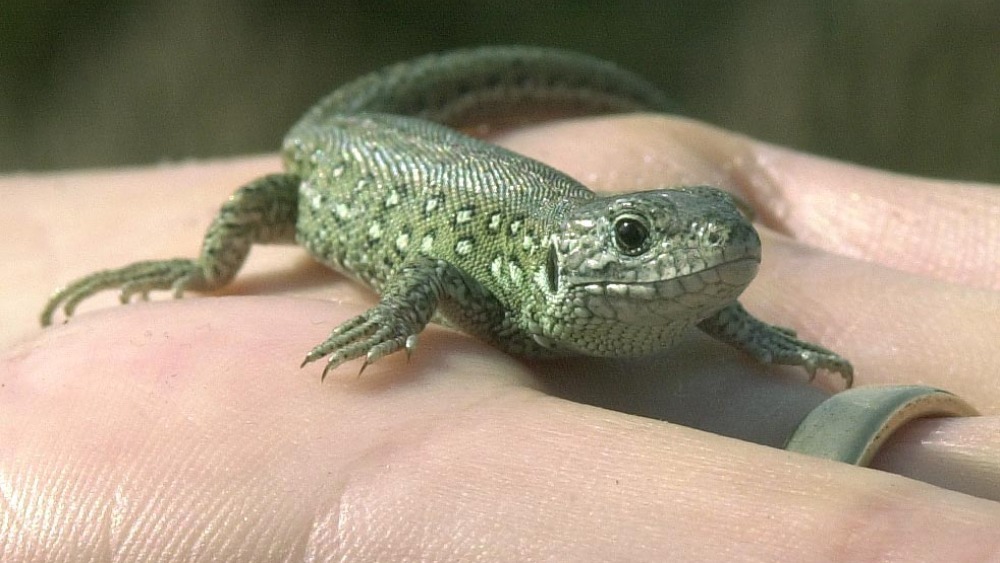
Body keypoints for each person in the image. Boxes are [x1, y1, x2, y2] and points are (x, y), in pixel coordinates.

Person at [2, 113, 998, 560]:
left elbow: (702, 280)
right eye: (635, 237)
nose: (710, 250)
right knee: (260, 206)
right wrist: (390, 318)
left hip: (415, 151)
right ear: (573, 254)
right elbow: (431, 272)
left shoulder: (602, 286)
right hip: (339, 162)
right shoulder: (519, 295)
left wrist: (750, 329)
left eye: (721, 230)